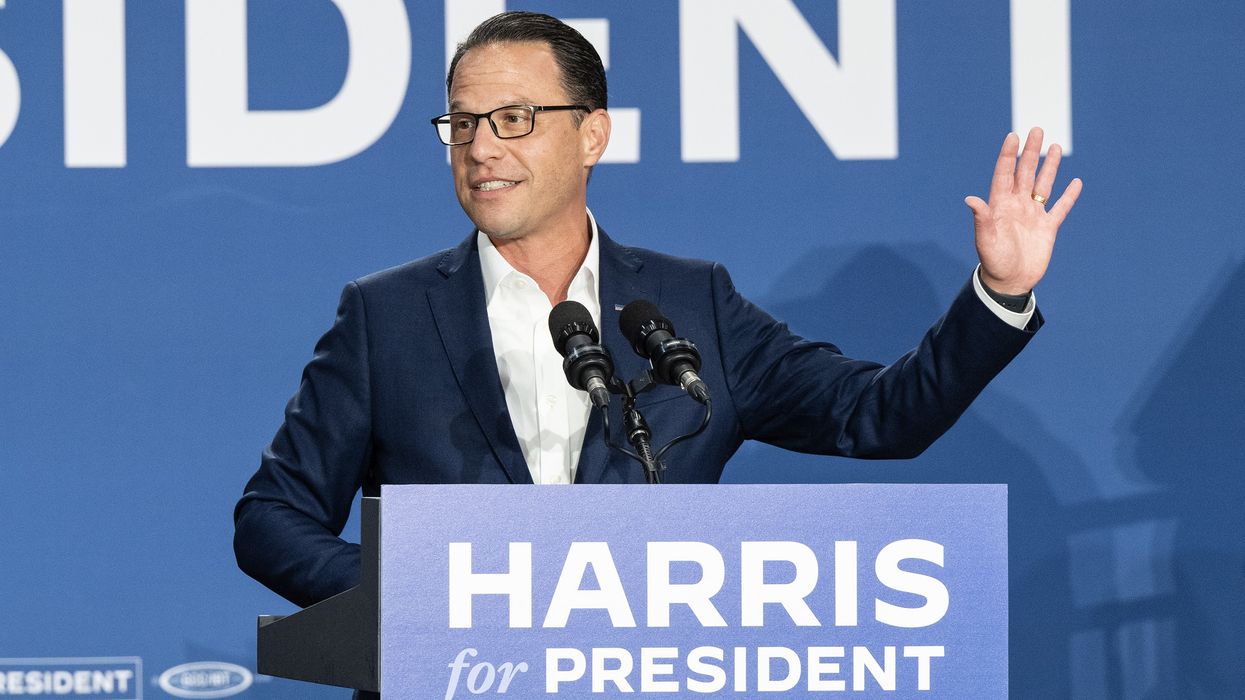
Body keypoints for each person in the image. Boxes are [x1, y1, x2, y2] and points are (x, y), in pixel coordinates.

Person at [234, 11, 1081, 610]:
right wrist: (426, 600)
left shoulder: (688, 306)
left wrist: (998, 292)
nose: (480, 147)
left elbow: (878, 418)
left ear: (592, 135)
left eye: (513, 119)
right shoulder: (385, 316)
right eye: (460, 123)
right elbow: (273, 518)